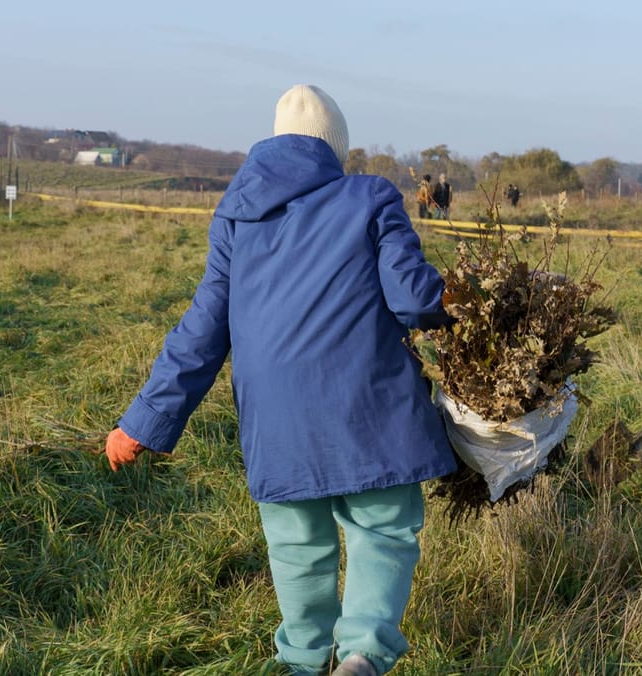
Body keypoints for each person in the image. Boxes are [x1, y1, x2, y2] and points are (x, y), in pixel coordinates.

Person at [103, 84, 457, 676]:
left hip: (277, 422)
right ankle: (363, 654)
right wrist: (471, 304)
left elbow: (202, 329)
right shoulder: (369, 195)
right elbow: (413, 298)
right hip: (366, 405)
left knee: (297, 547)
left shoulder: (235, 216)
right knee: (383, 528)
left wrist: (140, 422)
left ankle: (303, 663)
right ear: (334, 147)